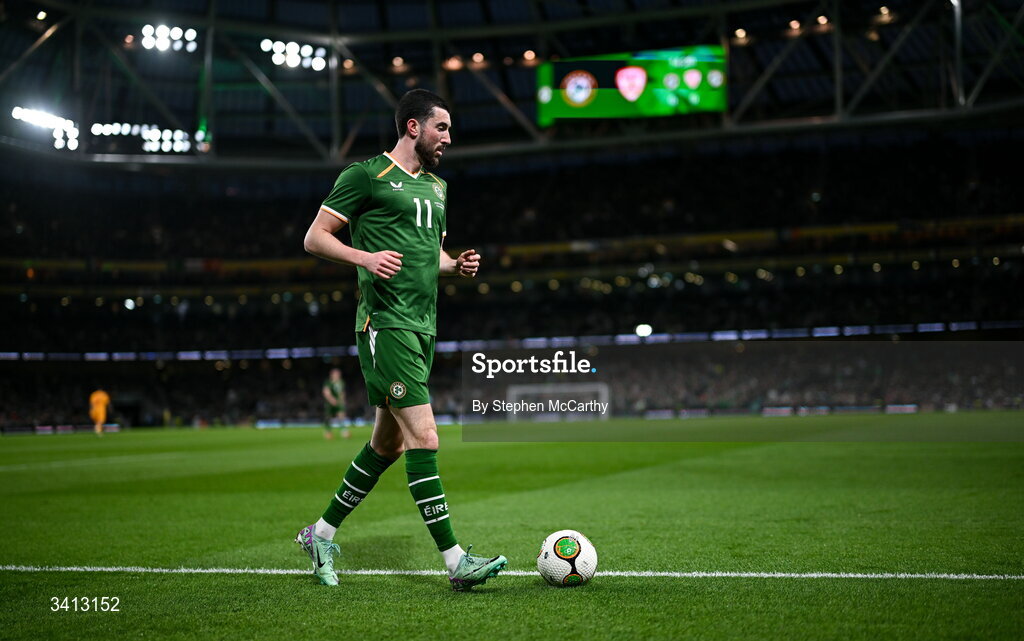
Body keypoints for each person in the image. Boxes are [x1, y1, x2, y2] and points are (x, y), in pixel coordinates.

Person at [297, 89, 506, 591]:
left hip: (424, 326)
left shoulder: (437, 188)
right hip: (384, 324)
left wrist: (454, 265)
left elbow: (428, 251)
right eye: (442, 128)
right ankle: (457, 563)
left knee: (386, 446)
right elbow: (315, 237)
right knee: (426, 437)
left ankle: (319, 533)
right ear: (413, 126)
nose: (448, 139)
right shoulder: (365, 175)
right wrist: (364, 257)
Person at [322, 368, 352, 440]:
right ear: (332, 375)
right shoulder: (328, 382)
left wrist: (342, 400)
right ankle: (328, 432)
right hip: (329, 403)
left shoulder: (341, 382)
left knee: (341, 415)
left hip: (338, 402)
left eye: (338, 374)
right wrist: (332, 400)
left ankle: (344, 431)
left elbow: (342, 392)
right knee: (328, 417)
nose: (337, 375)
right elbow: (326, 392)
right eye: (336, 374)